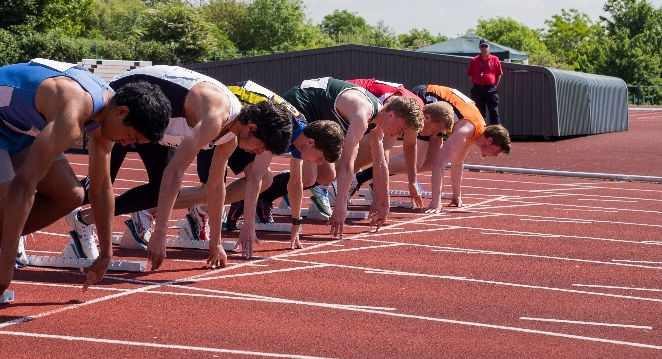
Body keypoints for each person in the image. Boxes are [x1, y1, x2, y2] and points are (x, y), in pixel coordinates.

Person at [0, 58, 171, 304]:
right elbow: (23, 185)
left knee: (71, 195)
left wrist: (106, 255)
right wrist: (7, 257)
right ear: (122, 112)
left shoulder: (105, 113)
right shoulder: (72, 114)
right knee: (4, 219)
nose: (125, 143)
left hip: (18, 123)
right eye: (130, 137)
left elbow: (100, 188)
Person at [66, 66, 294, 272]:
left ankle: (83, 221)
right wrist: (160, 234)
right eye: (261, 146)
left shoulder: (229, 136)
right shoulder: (216, 116)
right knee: (92, 190)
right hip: (127, 103)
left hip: (154, 127)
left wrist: (214, 243)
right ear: (251, 128)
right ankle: (34, 210)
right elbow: (175, 172)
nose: (258, 153)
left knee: (158, 192)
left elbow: (215, 188)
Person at [173, 80, 344, 259]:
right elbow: (255, 177)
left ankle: (201, 209)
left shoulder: (300, 134)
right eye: (320, 158)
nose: (319, 163)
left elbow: (295, 182)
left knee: (263, 181)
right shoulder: (281, 130)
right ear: (311, 143)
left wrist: (296, 223)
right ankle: (151, 208)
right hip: (222, 116)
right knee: (214, 188)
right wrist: (248, 225)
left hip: (246, 128)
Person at [279, 77, 423, 243]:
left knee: (326, 175)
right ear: (391, 114)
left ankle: (271, 191)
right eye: (402, 127)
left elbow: (381, 162)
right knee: (309, 177)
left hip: (319, 116)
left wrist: (384, 204)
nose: (400, 132)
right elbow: (348, 163)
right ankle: (261, 196)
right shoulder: (363, 115)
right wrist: (340, 206)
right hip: (301, 102)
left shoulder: (376, 123)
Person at [346, 78, 446, 208]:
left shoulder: (415, 112)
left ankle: (342, 178)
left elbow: (409, 146)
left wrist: (412, 182)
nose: (434, 135)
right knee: (371, 151)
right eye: (435, 129)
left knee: (371, 146)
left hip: (366, 105)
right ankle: (330, 182)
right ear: (427, 118)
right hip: (349, 94)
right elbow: (384, 155)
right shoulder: (400, 112)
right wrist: (379, 198)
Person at [412, 84, 511, 214]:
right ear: (490, 140)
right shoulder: (466, 130)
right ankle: (377, 171)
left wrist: (456, 196)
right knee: (419, 160)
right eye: (497, 151)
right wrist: (435, 203)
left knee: (429, 162)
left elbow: (457, 163)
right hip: (424, 98)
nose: (496, 155)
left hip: (439, 111)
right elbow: (440, 163)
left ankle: (379, 172)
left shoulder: (475, 132)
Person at [467, 38, 503, 125]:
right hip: (477, 89)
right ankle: (481, 133)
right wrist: (478, 83)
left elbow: (499, 74)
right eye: (482, 46)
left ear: (489, 47)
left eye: (486, 46)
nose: (484, 48)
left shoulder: (495, 59)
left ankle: (496, 133)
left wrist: (493, 85)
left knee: (494, 111)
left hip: (490, 89)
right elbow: (470, 75)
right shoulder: (474, 60)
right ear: (479, 48)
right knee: (479, 112)